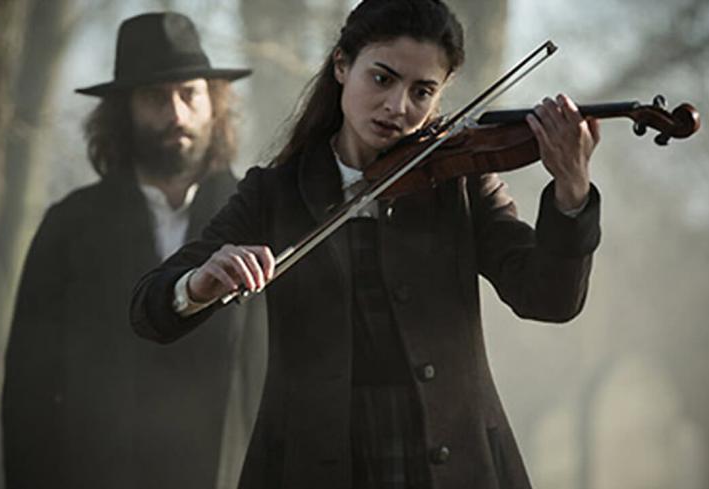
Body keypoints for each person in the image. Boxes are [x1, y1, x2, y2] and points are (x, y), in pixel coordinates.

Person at [130, 1, 601, 488]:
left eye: (422, 91)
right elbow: (149, 310)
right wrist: (198, 284)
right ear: (341, 65)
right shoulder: (273, 193)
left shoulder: (461, 183)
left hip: (453, 466)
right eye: (382, 79)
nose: (398, 107)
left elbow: (550, 299)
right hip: (314, 467)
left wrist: (571, 193)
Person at [2, 12, 266, 489]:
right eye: (155, 98)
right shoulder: (70, 226)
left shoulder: (258, 218)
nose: (176, 114)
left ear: (214, 103)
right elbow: (28, 389)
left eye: (189, 94)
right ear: (123, 111)